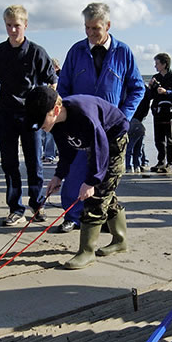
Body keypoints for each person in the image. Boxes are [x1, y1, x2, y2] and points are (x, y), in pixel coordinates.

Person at [56, 2, 145, 231]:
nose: (90, 33)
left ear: (108, 25)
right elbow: (63, 88)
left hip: (110, 128)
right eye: (86, 28)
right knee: (75, 173)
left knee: (105, 177)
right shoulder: (76, 51)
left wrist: (124, 116)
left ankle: (101, 218)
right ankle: (72, 216)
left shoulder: (123, 52)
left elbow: (137, 88)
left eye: (95, 28)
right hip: (79, 126)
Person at [26, 85, 130, 269]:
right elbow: (67, 152)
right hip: (95, 144)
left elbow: (101, 148)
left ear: (55, 110)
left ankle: (87, 252)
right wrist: (58, 176)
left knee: (97, 195)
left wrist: (91, 181)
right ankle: (120, 241)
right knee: (106, 192)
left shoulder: (84, 115)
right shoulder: (56, 125)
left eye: (41, 120)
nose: (40, 126)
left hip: (114, 139)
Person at [0, 5, 57, 226]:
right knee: (9, 163)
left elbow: (53, 82)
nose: (13, 30)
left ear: (25, 25)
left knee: (35, 162)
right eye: (9, 25)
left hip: (31, 115)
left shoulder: (37, 52)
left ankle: (37, 203)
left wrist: (48, 111)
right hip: (5, 113)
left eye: (17, 25)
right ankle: (15, 208)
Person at [146, 52, 172, 174]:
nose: (155, 66)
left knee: (170, 138)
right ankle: (161, 162)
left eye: (157, 63)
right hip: (158, 111)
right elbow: (150, 96)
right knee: (158, 138)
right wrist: (150, 87)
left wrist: (166, 92)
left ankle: (170, 164)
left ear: (164, 64)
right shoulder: (155, 77)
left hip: (171, 112)